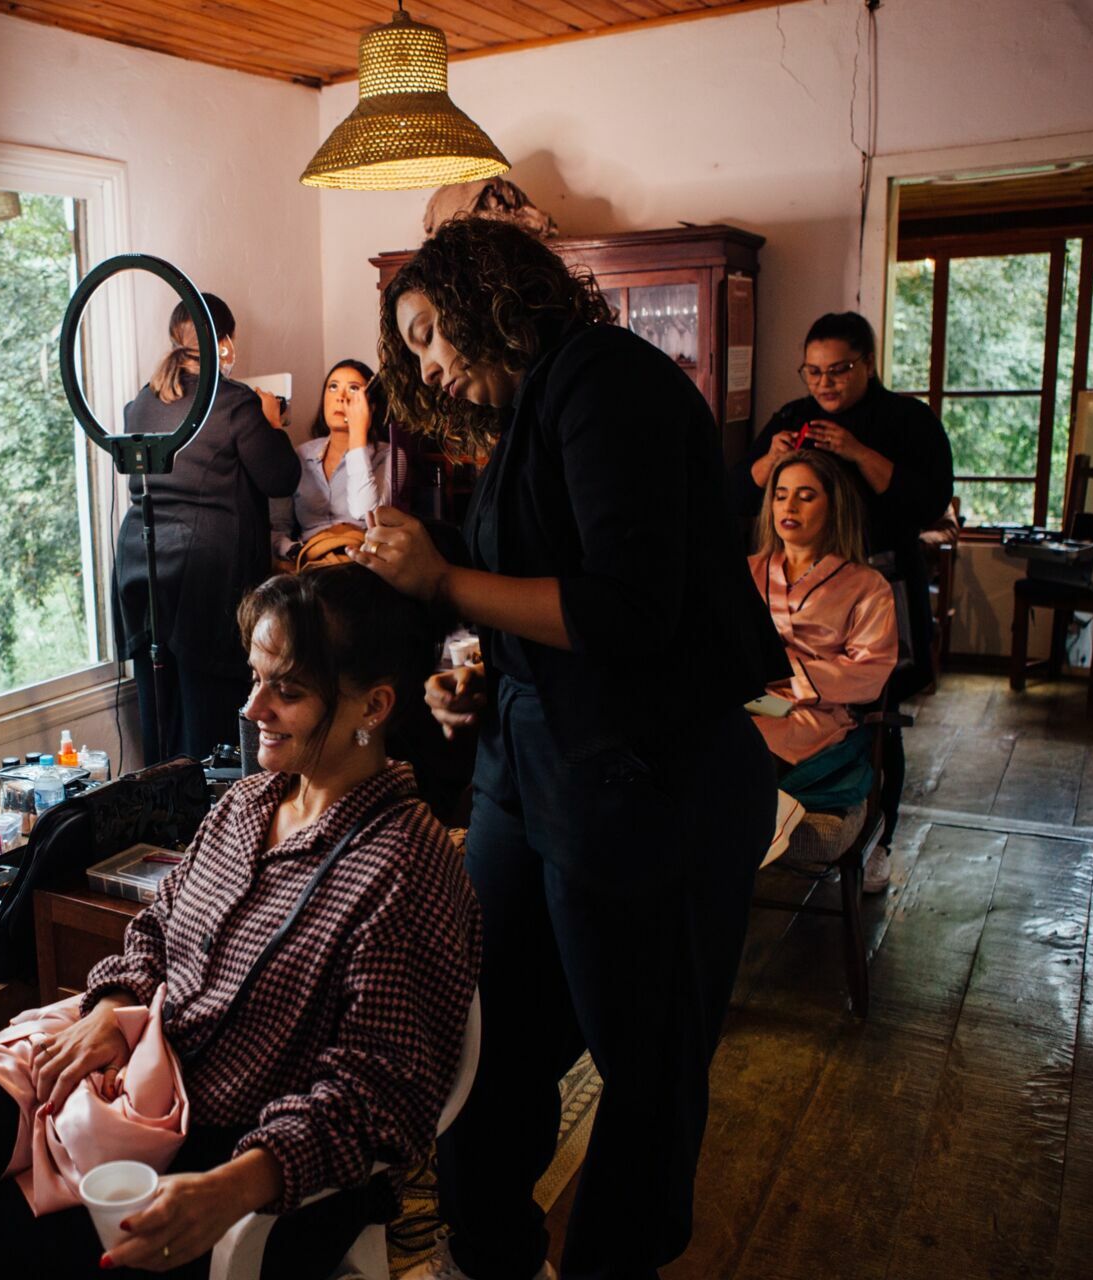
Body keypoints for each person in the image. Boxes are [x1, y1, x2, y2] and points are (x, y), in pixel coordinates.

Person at [0, 563, 481, 1279]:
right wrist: (113, 1007)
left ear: (373, 708)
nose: (253, 708)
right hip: (137, 1076)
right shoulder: (249, 806)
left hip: (239, 1149)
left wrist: (232, 1187)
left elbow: (384, 1095)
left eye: (288, 690)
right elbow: (156, 930)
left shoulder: (407, 870)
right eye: (255, 678)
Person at [358, 216, 787, 1280]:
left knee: (644, 1077)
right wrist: (489, 679)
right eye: (409, 352)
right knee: (490, 1047)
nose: (426, 366)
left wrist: (445, 584)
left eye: (425, 335)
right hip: (534, 774)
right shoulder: (522, 426)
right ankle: (489, 1252)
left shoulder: (607, 380)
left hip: (652, 788)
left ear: (481, 296)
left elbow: (630, 610)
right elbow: (550, 612)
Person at [733, 312, 953, 883]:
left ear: (869, 363)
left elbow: (929, 499)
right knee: (737, 718)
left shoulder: (906, 419)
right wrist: (771, 460)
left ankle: (882, 838)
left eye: (838, 371)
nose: (824, 384)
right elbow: (738, 491)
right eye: (813, 372)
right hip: (781, 654)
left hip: (877, 572)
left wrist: (855, 451)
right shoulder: (792, 418)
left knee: (881, 711)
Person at [116, 293, 300, 764]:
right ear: (223, 344)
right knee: (210, 730)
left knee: (161, 722)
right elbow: (281, 477)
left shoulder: (142, 403)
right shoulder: (236, 404)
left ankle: (168, 829)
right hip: (207, 581)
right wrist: (273, 423)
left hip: (143, 571)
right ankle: (214, 831)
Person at [748, 449, 899, 811]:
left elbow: (869, 673)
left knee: (744, 749)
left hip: (814, 714)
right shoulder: (745, 572)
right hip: (746, 698)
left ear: (833, 506)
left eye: (806, 496)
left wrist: (790, 676)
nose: (790, 507)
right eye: (781, 495)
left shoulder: (867, 586)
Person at [272, 360, 407, 564]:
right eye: (333, 387)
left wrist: (358, 435)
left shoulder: (390, 455)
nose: (341, 397)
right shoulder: (299, 455)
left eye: (353, 389)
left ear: (370, 405)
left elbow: (365, 513)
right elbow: (278, 527)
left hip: (360, 561)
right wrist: (295, 551)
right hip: (306, 560)